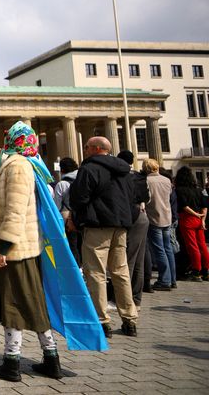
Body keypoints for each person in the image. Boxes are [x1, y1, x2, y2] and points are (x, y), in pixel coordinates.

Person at [0, 121, 63, 382]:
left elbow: (15, 210)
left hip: (15, 251)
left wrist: (4, 247)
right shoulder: (18, 161)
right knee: (32, 304)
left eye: (9, 136)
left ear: (16, 141)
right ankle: (51, 359)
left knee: (13, 305)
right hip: (21, 250)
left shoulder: (19, 167)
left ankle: (12, 363)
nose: (6, 137)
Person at [69, 136, 138, 338]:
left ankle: (102, 320)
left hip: (98, 225)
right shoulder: (125, 171)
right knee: (120, 272)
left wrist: (78, 218)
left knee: (96, 273)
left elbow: (78, 198)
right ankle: (130, 319)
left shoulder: (89, 169)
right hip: (121, 225)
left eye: (87, 147)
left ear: (96, 149)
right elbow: (132, 198)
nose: (85, 150)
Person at [117, 150, 151, 307]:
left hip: (131, 216)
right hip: (142, 216)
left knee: (128, 258)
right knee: (139, 259)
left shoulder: (122, 176)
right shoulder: (139, 176)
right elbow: (145, 198)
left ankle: (125, 299)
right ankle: (136, 297)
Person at [144, 159, 176, 290]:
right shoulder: (166, 180)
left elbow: (147, 199)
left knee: (159, 250)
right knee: (168, 249)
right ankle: (172, 278)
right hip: (166, 216)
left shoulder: (147, 181)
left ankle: (165, 280)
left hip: (154, 217)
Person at [175, 166, 208, 281]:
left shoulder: (179, 190)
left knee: (192, 246)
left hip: (187, 219)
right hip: (199, 219)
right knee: (202, 245)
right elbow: (205, 206)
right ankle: (206, 270)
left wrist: (195, 214)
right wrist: (202, 219)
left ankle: (196, 271)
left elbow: (185, 207)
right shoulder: (199, 189)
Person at [53, 157, 80, 265]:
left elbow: (57, 205)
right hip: (84, 215)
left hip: (68, 217)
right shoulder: (82, 178)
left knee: (72, 245)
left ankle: (77, 268)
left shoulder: (62, 184)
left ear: (62, 169)